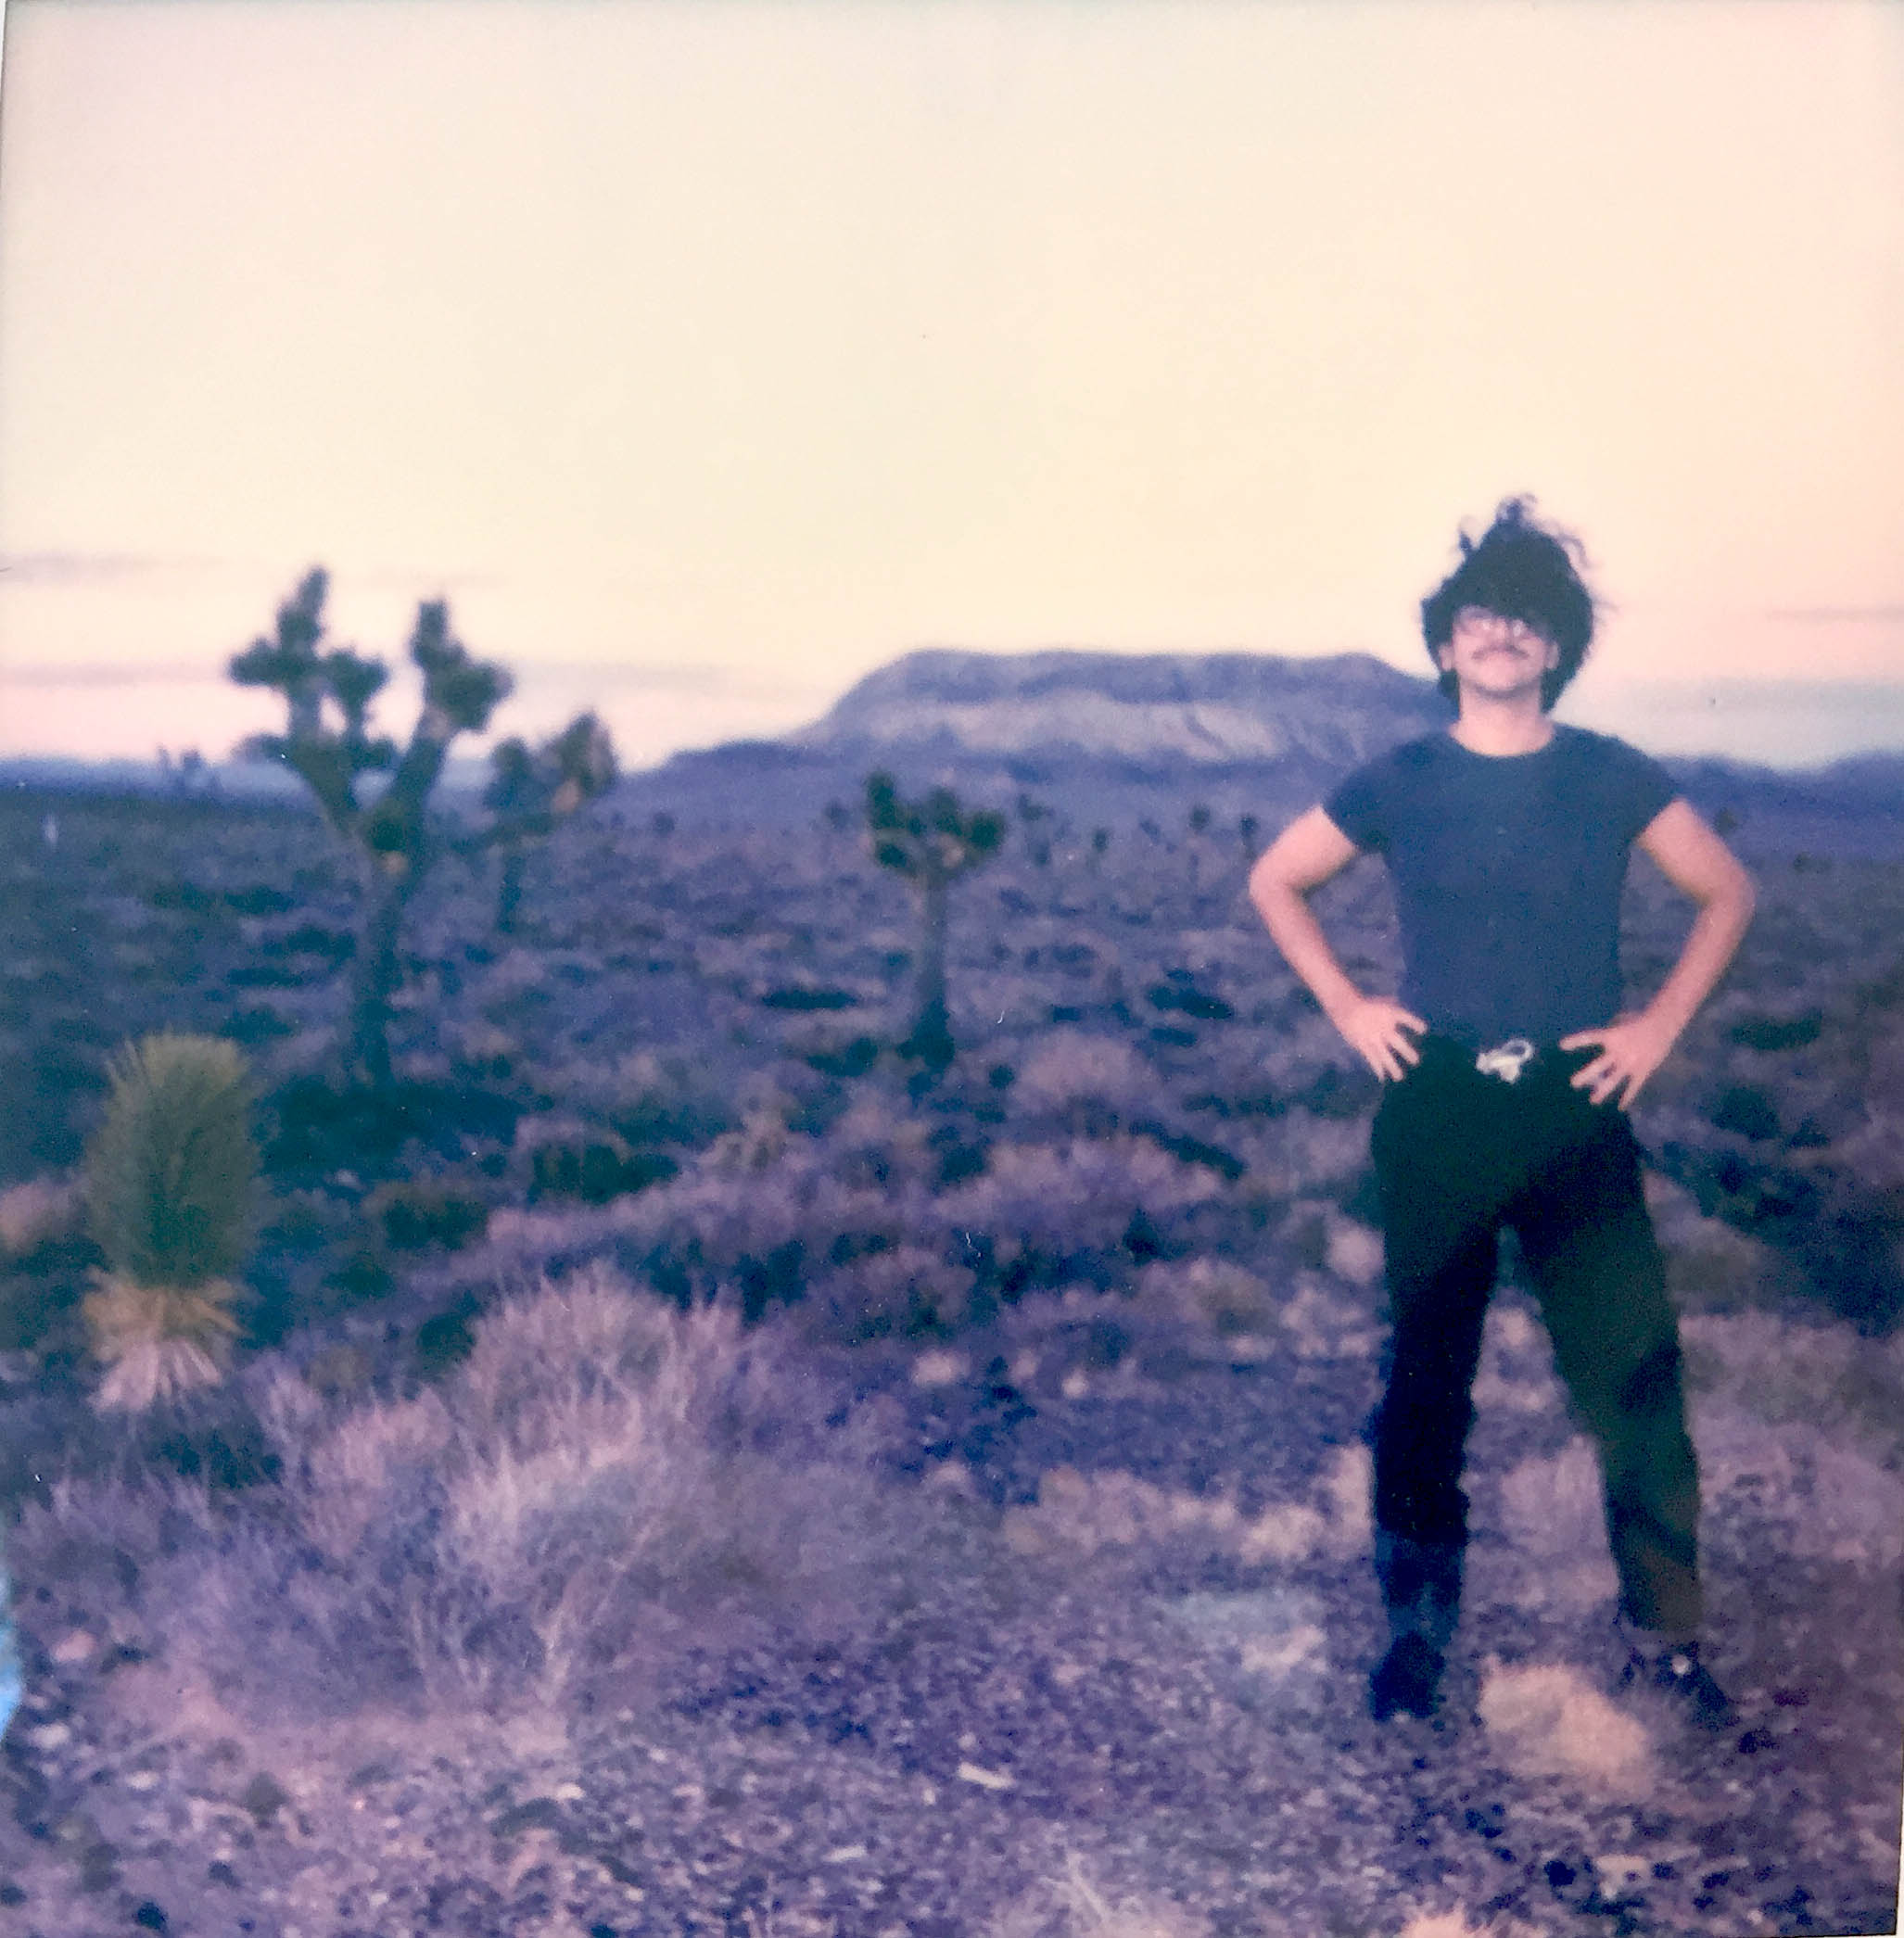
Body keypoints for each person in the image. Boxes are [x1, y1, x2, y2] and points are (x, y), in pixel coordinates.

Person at [1248, 498, 1755, 1726]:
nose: (1498, 637)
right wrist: (1349, 1008)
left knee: (1632, 1377)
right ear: (1441, 647)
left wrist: (1654, 1028)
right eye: (1476, 617)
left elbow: (1724, 892)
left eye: (1524, 620)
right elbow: (1275, 877)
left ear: (1554, 648)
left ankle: (1667, 1639)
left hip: (1571, 1109)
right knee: (1427, 1380)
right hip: (1436, 1108)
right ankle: (1414, 1639)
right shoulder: (1400, 777)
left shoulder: (1607, 774)